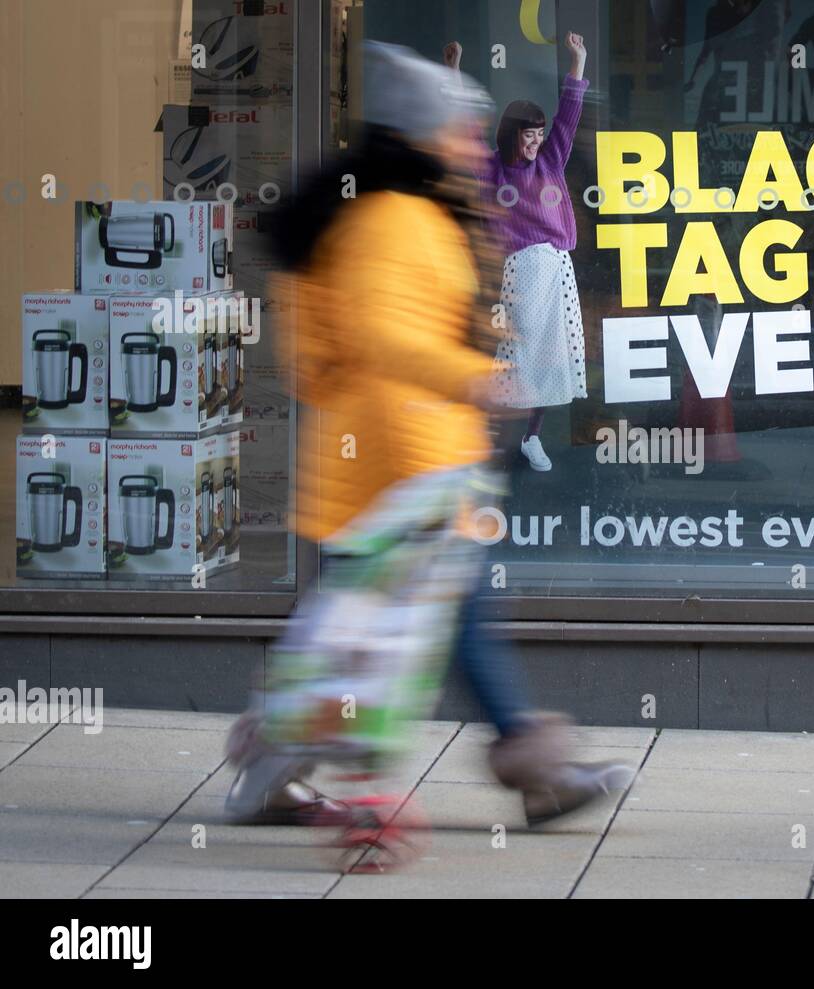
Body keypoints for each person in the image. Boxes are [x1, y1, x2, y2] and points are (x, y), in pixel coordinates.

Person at [224, 42, 630, 831]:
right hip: (398, 464)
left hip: (412, 461)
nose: (476, 143)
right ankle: (526, 768)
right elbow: (382, 336)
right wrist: (474, 377)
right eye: (463, 129)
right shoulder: (394, 218)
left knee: (397, 622)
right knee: (365, 631)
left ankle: (528, 767)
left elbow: (331, 350)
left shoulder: (405, 208)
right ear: (426, 135)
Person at [445, 34, 590, 474]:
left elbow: (569, 117)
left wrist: (578, 61)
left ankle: (531, 437)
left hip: (556, 268)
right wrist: (452, 71)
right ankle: (482, 435)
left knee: (552, 357)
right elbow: (461, 129)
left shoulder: (550, 161)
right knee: (514, 358)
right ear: (513, 135)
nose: (536, 142)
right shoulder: (489, 167)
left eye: (540, 134)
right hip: (517, 271)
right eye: (529, 135)